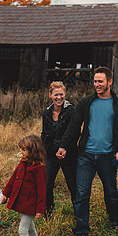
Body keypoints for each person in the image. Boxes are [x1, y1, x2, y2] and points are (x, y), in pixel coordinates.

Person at [56, 66, 118, 236]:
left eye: (100, 81)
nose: (97, 84)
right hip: (86, 156)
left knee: (111, 191)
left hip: (108, 156)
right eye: (95, 81)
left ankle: (115, 219)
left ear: (110, 82)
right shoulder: (86, 102)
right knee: (82, 193)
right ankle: (81, 230)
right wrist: (64, 146)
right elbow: (74, 127)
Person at [3, 134, 47, 236]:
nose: (21, 152)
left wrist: (40, 209)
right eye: (21, 149)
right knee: (29, 226)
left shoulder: (39, 168)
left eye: (23, 150)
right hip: (22, 201)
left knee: (22, 229)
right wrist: (6, 193)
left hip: (31, 203)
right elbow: (13, 178)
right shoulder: (23, 162)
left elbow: (42, 190)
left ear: (32, 151)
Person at [41, 81, 77, 217]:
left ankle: (78, 213)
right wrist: (42, 152)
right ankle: (48, 212)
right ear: (50, 95)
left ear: (65, 94)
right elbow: (44, 134)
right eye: (56, 95)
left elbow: (74, 132)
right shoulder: (47, 112)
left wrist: (65, 148)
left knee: (72, 186)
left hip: (68, 154)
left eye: (61, 94)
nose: (59, 98)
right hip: (51, 154)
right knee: (46, 183)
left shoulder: (71, 110)